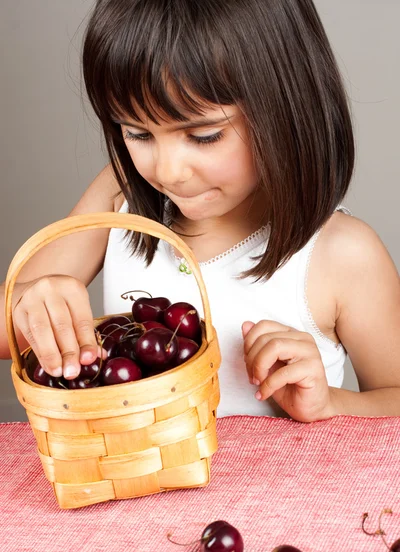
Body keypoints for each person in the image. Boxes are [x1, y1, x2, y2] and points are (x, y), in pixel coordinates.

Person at [1, 0, 399, 422]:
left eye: (204, 135)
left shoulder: (343, 253)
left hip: (278, 487)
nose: (168, 172)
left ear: (285, 106)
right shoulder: (120, 197)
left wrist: (331, 404)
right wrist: (31, 301)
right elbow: (7, 336)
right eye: (137, 132)